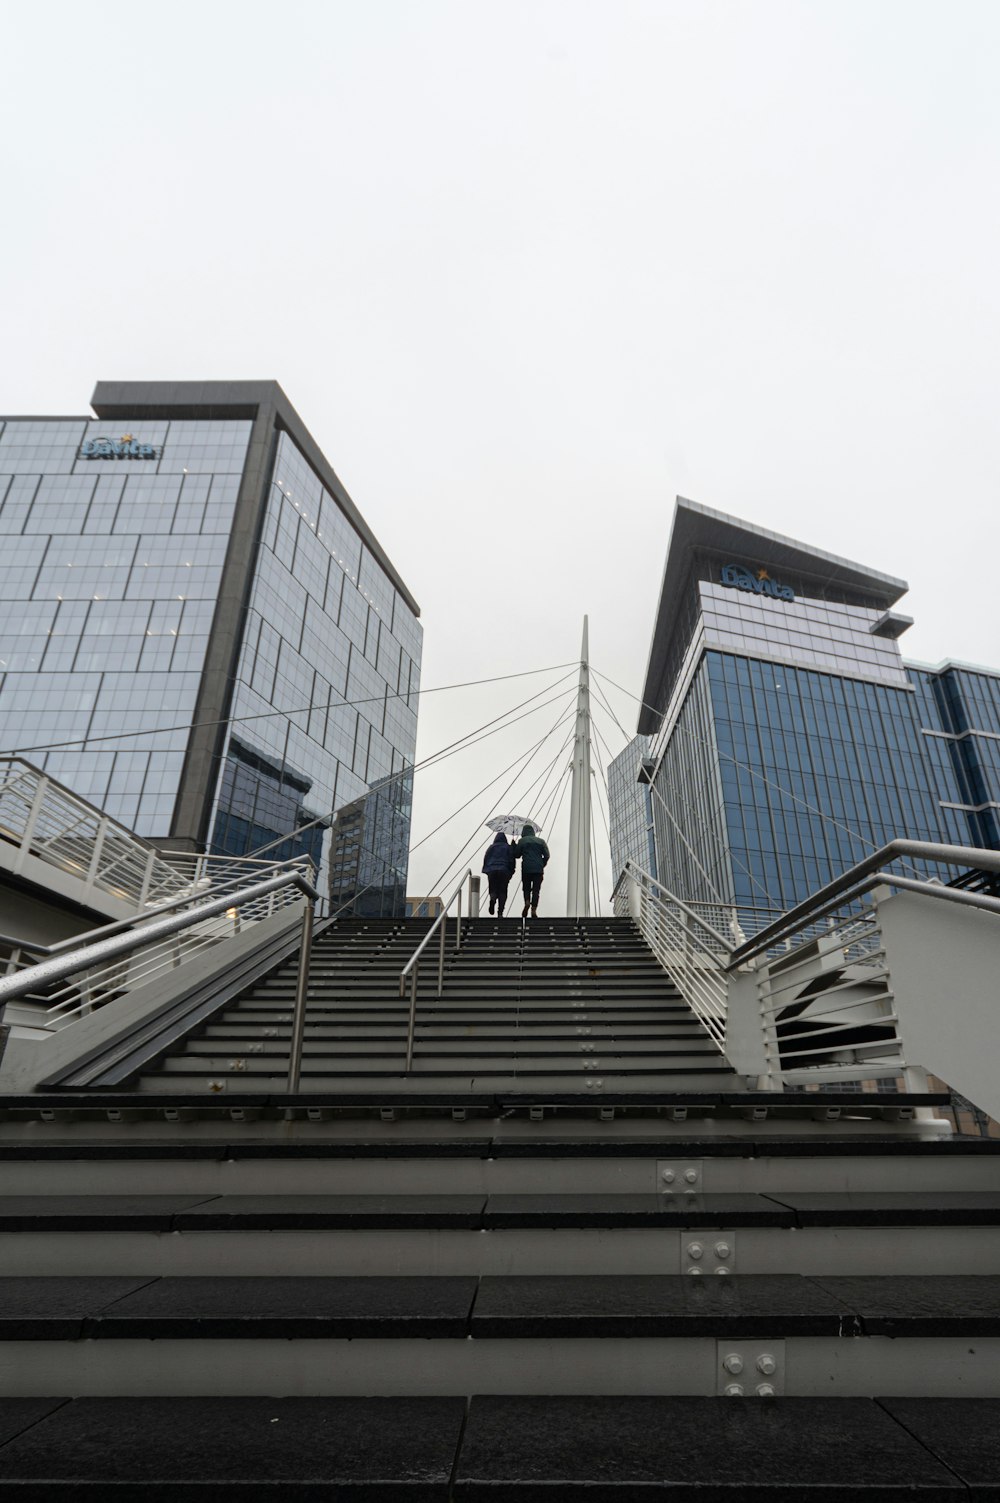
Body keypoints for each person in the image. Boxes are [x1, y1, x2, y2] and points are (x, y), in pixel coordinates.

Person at [510, 822, 550, 919]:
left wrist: (513, 846)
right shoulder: (541, 841)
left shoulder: (522, 841)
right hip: (538, 869)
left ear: (523, 832)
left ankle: (527, 901)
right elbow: (547, 855)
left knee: (526, 888)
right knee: (536, 890)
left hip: (526, 868)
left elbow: (516, 855)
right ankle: (534, 909)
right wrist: (542, 864)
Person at [482, 831, 517, 917]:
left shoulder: (491, 847)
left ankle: (492, 899)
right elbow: (512, 860)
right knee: (503, 891)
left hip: (492, 870)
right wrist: (511, 871)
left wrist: (487, 869)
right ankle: (500, 911)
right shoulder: (508, 848)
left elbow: (486, 859)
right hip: (504, 871)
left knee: (493, 888)